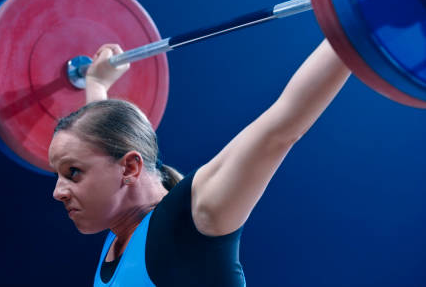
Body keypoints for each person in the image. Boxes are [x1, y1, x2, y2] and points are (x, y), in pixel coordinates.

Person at [48, 40, 350, 286]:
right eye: (60, 174)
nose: (58, 192)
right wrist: (96, 83)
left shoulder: (192, 219)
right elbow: (100, 143)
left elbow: (281, 127)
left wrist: (353, 27)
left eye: (72, 173)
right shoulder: (120, 227)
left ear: (129, 169)